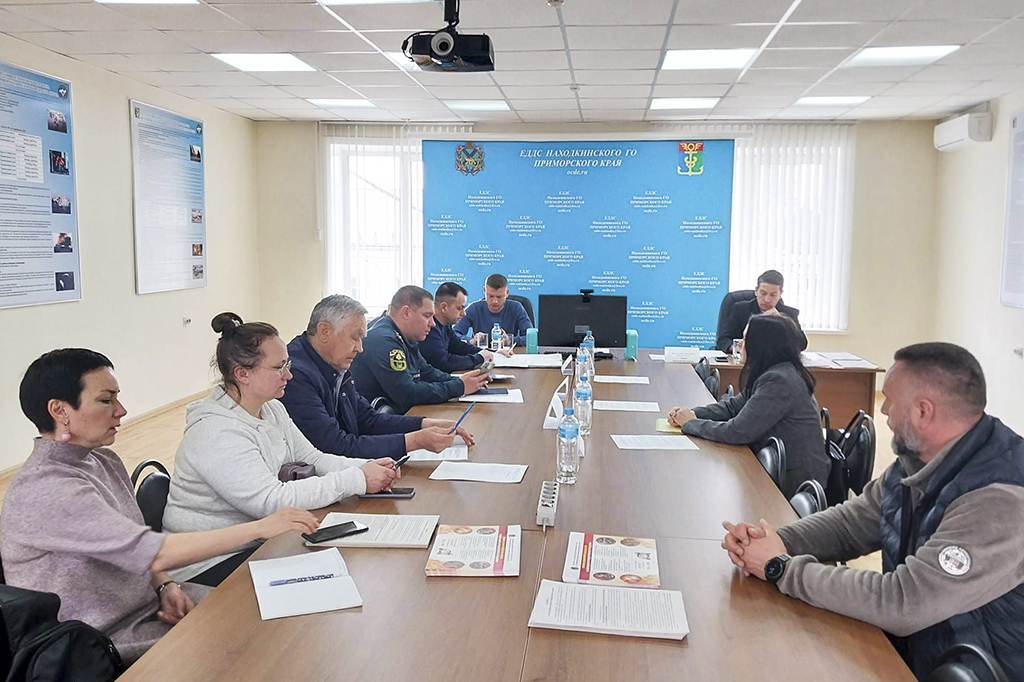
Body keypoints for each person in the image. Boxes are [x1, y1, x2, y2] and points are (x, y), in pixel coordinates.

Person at [721, 342, 1024, 681]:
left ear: (923, 412)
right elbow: (850, 525)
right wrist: (776, 541)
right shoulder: (918, 461)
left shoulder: (1000, 501)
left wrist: (780, 568)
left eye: (891, 400)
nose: (883, 411)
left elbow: (902, 602)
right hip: (916, 654)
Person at [0, 349, 320, 664]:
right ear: (59, 410)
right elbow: (152, 552)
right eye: (106, 400)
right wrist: (261, 526)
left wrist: (164, 584)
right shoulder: (47, 489)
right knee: (263, 643)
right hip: (101, 642)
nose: (121, 410)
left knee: (282, 617)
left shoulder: (103, 460)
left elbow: (134, 549)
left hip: (151, 607)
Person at [162, 313, 400, 585]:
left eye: (288, 364)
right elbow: (271, 501)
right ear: (242, 374)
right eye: (279, 367)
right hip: (207, 564)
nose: (289, 374)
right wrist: (358, 479)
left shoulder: (272, 408)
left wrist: (366, 468)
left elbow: (312, 458)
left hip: (256, 543)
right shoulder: (215, 432)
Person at [281, 294, 475, 460]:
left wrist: (426, 424)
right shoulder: (294, 375)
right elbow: (335, 447)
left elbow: (369, 420)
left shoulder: (333, 362)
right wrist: (415, 440)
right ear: (325, 331)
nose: (360, 348)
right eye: (355, 337)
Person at [668, 314, 828, 498]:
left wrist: (690, 423)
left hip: (794, 482)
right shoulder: (771, 372)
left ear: (762, 345)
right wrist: (691, 413)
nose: (740, 344)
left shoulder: (780, 381)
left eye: (745, 339)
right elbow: (731, 408)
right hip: (779, 470)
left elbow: (737, 431)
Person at [350, 286, 490, 415]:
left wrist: (466, 381)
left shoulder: (406, 336)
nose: (433, 323)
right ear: (406, 313)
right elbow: (406, 393)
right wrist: (458, 386)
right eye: (427, 316)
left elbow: (426, 372)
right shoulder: (383, 340)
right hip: (380, 422)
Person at [421, 282, 508, 373]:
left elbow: (460, 347)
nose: (464, 313)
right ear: (444, 307)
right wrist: (479, 358)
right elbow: (445, 362)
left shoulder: (446, 325)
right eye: (459, 308)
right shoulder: (428, 329)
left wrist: (491, 352)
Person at [716, 269, 807, 352]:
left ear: (780, 294)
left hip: (777, 362)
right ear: (756, 291)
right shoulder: (740, 309)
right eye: (763, 293)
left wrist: (782, 321)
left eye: (773, 295)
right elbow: (723, 340)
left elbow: (802, 344)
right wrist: (736, 349)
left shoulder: (789, 313)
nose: (767, 299)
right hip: (745, 361)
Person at [453, 273, 532, 347]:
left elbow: (531, 337)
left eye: (499, 297)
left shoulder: (516, 308)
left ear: (507, 293)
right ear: (484, 290)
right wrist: (471, 341)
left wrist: (510, 340)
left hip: (508, 353)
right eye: (490, 296)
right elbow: (453, 334)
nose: (495, 301)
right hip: (481, 353)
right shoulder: (474, 308)